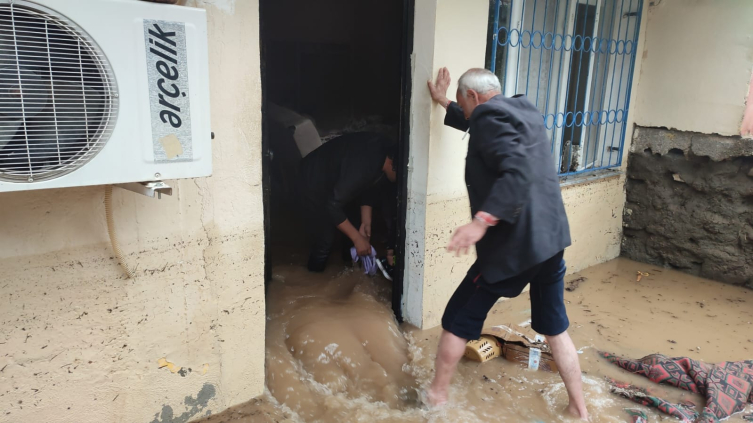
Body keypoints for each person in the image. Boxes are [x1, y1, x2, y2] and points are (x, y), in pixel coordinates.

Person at [425, 67, 589, 421]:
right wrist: (443, 102)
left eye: (463, 102)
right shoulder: (523, 111)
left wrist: (480, 222)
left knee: (457, 318)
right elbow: (491, 128)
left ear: (473, 97)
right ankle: (579, 409)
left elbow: (515, 169)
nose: (468, 113)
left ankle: (435, 399)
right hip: (550, 242)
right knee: (554, 328)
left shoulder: (486, 118)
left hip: (514, 248)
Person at [298, 132, 397, 272]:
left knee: (353, 227)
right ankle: (314, 276)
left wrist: (365, 222)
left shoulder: (382, 154)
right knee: (325, 239)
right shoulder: (365, 165)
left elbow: (368, 186)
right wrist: (357, 239)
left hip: (337, 181)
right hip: (312, 182)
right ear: (393, 164)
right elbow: (332, 206)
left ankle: (349, 268)